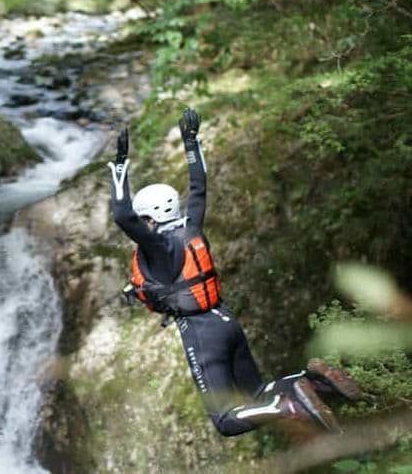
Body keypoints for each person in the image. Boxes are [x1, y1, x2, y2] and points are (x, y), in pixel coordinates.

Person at [107, 108, 361, 437]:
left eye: (144, 220)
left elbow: (122, 217)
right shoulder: (192, 227)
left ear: (150, 220)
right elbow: (198, 188)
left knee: (225, 420)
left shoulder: (160, 247)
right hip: (226, 320)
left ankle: (287, 406)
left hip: (202, 332)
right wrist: (191, 143)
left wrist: (120, 166)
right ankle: (314, 381)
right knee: (258, 392)